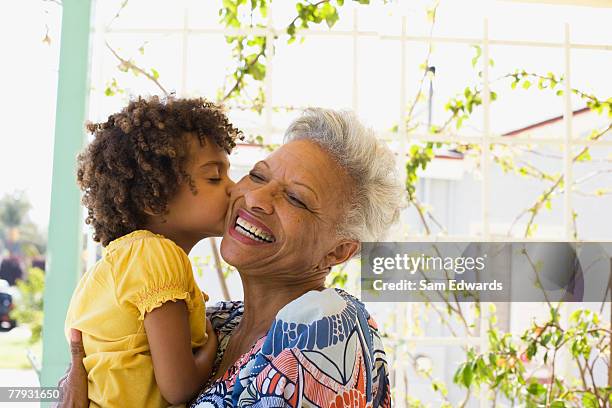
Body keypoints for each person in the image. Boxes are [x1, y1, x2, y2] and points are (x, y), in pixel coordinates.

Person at [60, 108, 405, 407]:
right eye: (257, 175)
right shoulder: (217, 321)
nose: (255, 197)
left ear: (338, 250)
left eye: (296, 199)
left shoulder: (327, 330)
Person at [64, 96, 241, 407]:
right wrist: (214, 348)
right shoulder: (158, 256)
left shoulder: (118, 264)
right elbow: (179, 388)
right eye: (214, 177)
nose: (233, 187)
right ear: (154, 198)